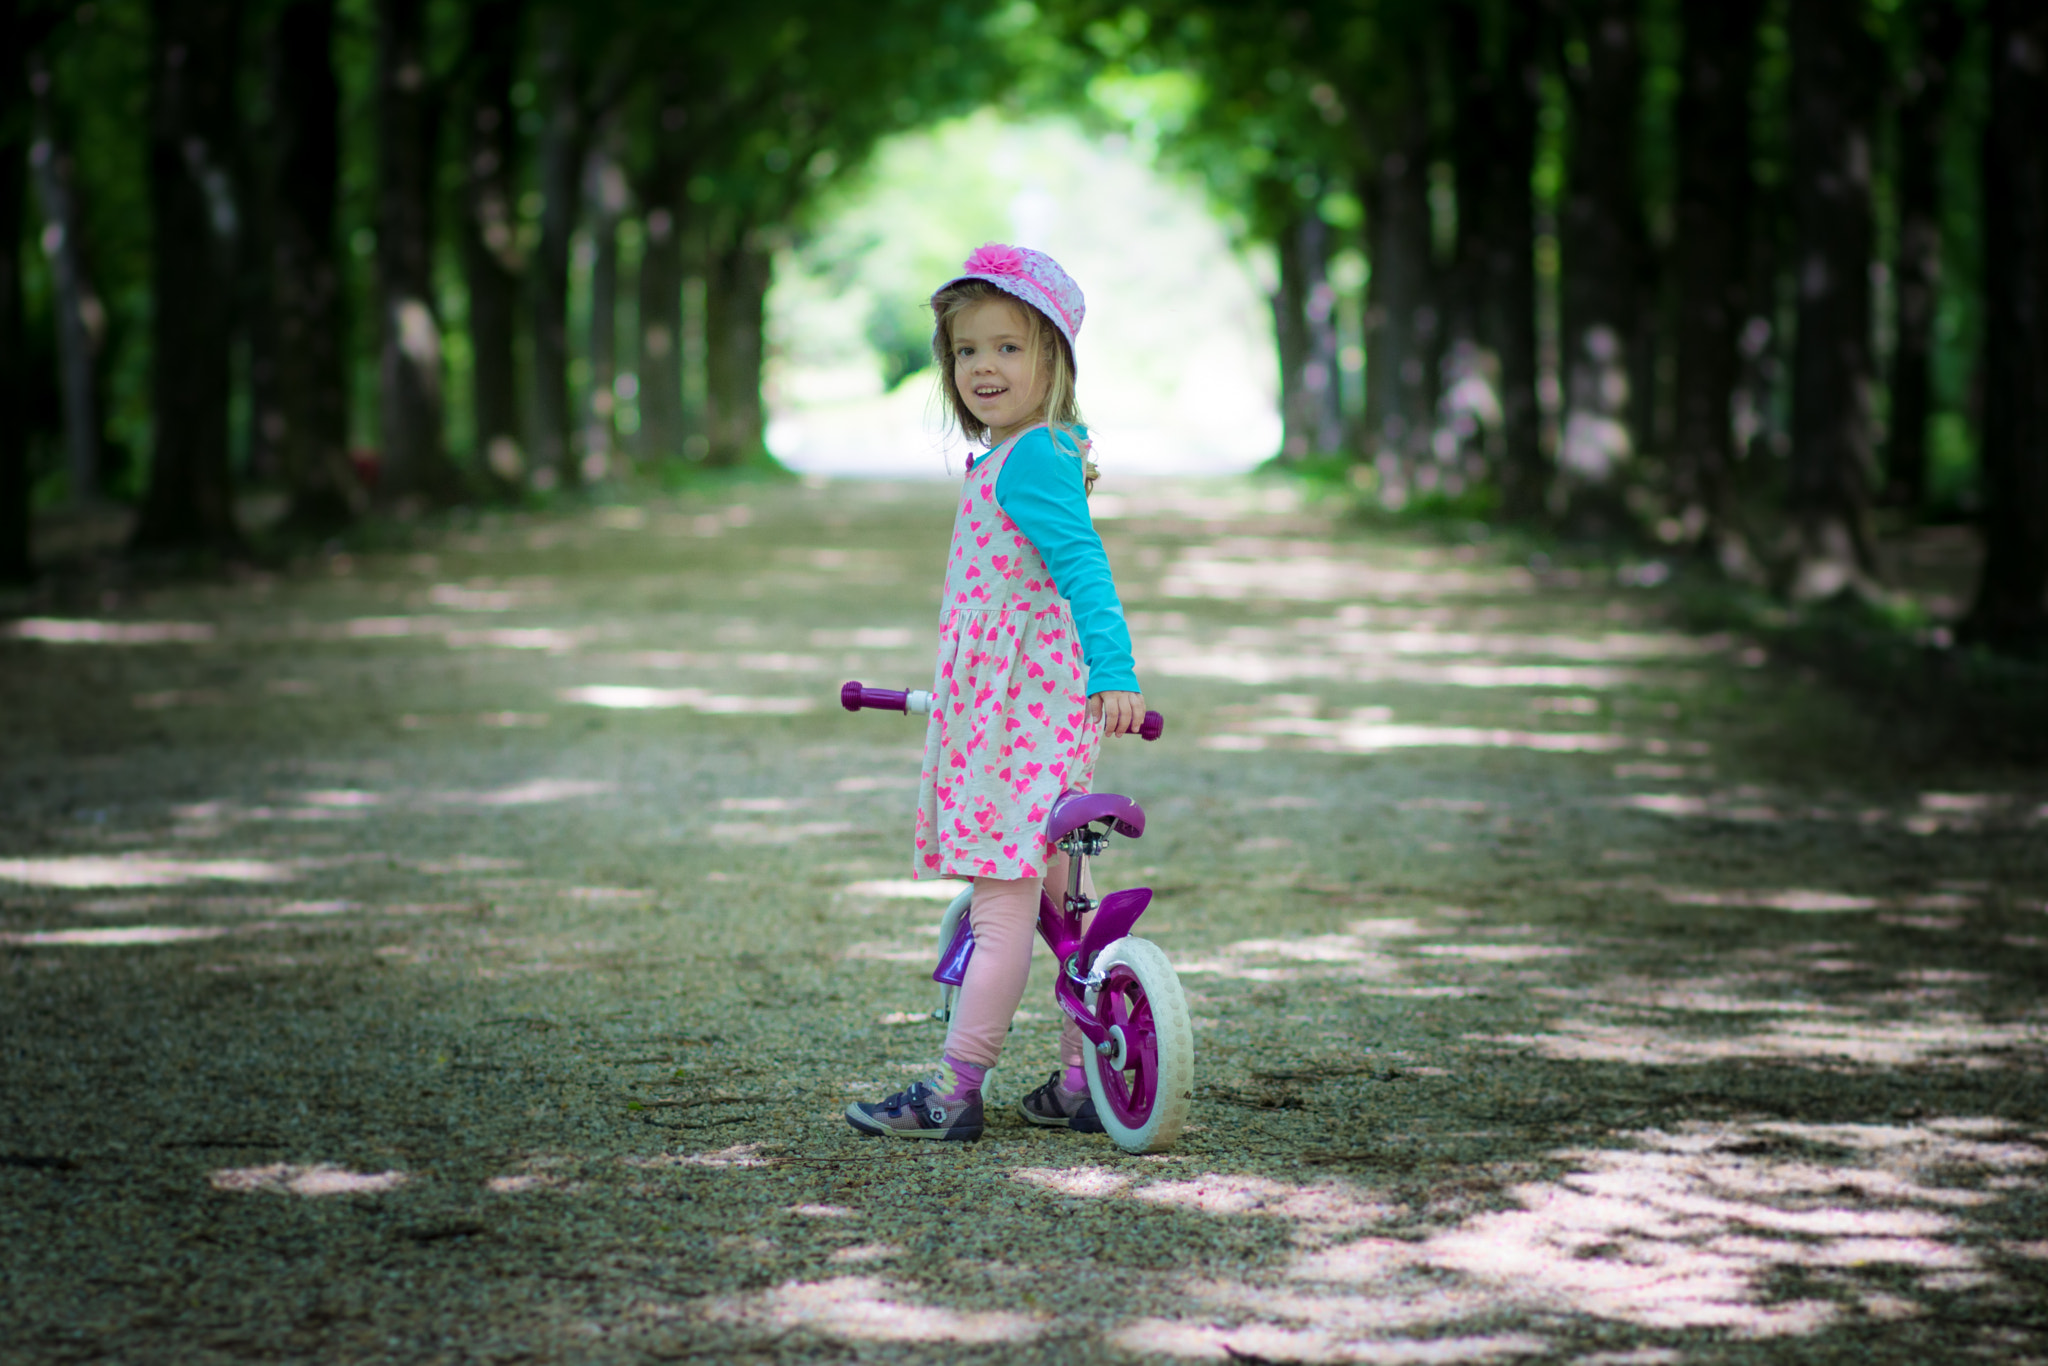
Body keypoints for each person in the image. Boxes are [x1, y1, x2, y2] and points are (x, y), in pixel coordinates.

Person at [846, 244, 1145, 1143]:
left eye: (1010, 348)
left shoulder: (1032, 459)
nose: (985, 366)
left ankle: (953, 1084)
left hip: (1014, 728)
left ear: (1054, 360)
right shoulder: (1019, 457)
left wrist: (1114, 668)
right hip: (1026, 721)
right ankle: (1082, 1081)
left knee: (1004, 900)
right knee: (1063, 905)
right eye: (968, 350)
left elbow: (1084, 567)